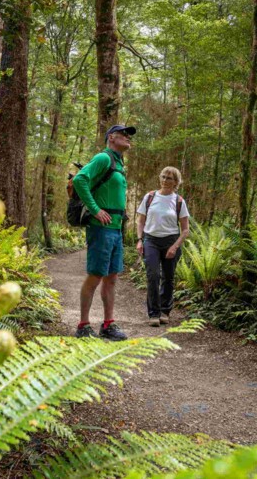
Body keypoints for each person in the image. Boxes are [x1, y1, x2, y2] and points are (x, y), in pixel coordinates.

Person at [71, 124, 135, 340]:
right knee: (95, 275)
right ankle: (83, 325)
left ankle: (108, 324)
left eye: (129, 136)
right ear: (111, 138)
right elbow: (80, 179)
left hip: (116, 229)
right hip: (101, 229)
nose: (128, 138)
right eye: (124, 135)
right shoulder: (103, 158)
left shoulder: (118, 163)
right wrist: (95, 209)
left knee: (112, 278)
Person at [136, 166, 190, 326]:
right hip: (150, 240)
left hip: (171, 241)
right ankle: (153, 313)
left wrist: (175, 246)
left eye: (170, 178)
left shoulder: (179, 201)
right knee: (153, 276)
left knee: (168, 278)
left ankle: (165, 311)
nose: (165, 180)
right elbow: (140, 221)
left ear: (176, 182)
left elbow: (185, 229)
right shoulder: (150, 197)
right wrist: (140, 240)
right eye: (164, 177)